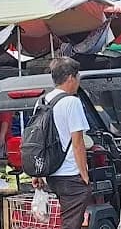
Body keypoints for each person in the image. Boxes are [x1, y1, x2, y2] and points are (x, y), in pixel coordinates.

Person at [31, 58, 91, 229]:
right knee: (71, 223)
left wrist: (38, 173)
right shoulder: (71, 102)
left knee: (69, 219)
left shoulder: (42, 101)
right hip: (70, 174)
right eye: (78, 77)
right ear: (71, 78)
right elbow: (78, 142)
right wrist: (84, 174)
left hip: (51, 173)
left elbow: (37, 141)